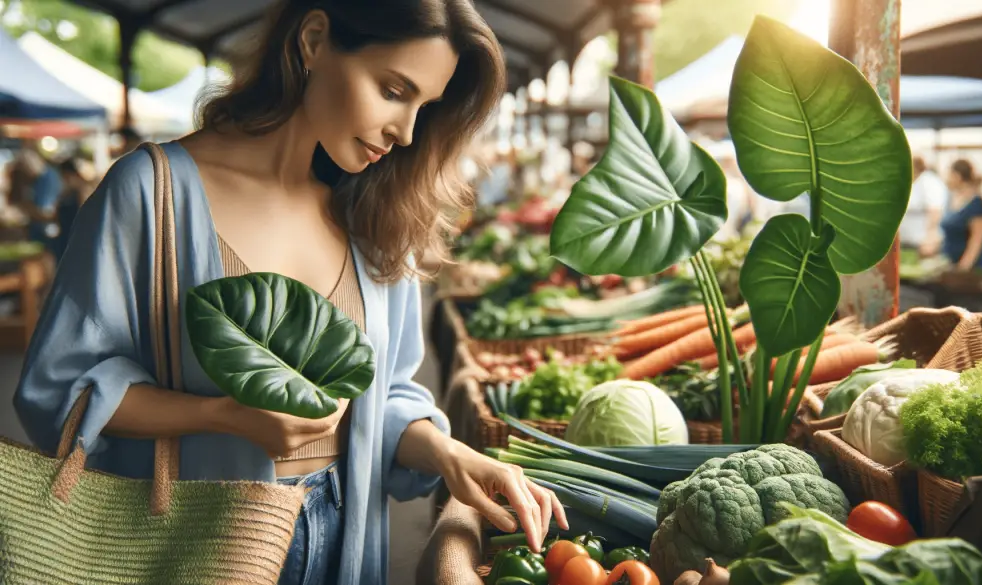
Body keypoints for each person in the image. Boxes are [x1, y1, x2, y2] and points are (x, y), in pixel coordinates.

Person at [12, 2, 567, 584]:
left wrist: (451, 454)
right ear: (314, 39)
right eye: (393, 89)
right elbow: (59, 390)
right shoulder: (149, 194)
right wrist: (225, 416)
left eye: (423, 108)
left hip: (347, 540)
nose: (404, 133)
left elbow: (389, 396)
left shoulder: (379, 212)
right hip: (200, 543)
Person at [938, 158, 982, 271]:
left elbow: (976, 240)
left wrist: (962, 268)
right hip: (949, 263)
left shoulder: (977, 204)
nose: (946, 180)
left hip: (970, 268)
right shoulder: (951, 199)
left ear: (957, 176)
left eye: (949, 175)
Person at [904, 156, 948, 255]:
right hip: (907, 243)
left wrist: (929, 238)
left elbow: (935, 211)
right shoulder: (911, 182)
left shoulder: (930, 182)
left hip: (923, 244)